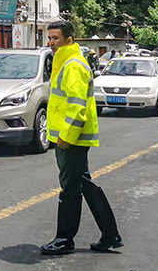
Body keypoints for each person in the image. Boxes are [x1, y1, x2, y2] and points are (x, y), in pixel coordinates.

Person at [41, 21, 122, 255]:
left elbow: (77, 108)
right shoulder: (65, 62)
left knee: (70, 189)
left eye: (56, 38)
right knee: (83, 184)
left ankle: (65, 239)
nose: (51, 43)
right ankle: (110, 234)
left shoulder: (73, 65)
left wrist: (66, 137)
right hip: (69, 139)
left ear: (69, 40)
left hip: (72, 140)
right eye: (49, 38)